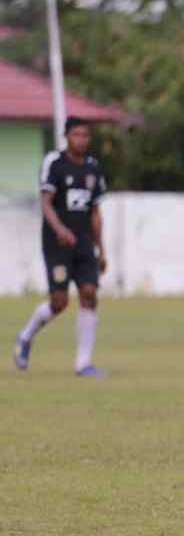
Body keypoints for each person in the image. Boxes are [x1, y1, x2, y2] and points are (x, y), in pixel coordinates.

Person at [13, 117, 108, 377]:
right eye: (76, 134)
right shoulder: (54, 163)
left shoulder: (93, 168)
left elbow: (95, 213)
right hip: (57, 244)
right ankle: (25, 337)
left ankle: (83, 363)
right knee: (60, 301)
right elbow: (46, 202)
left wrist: (102, 249)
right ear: (67, 136)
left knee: (89, 293)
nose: (81, 140)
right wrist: (60, 229)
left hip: (85, 242)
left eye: (85, 135)